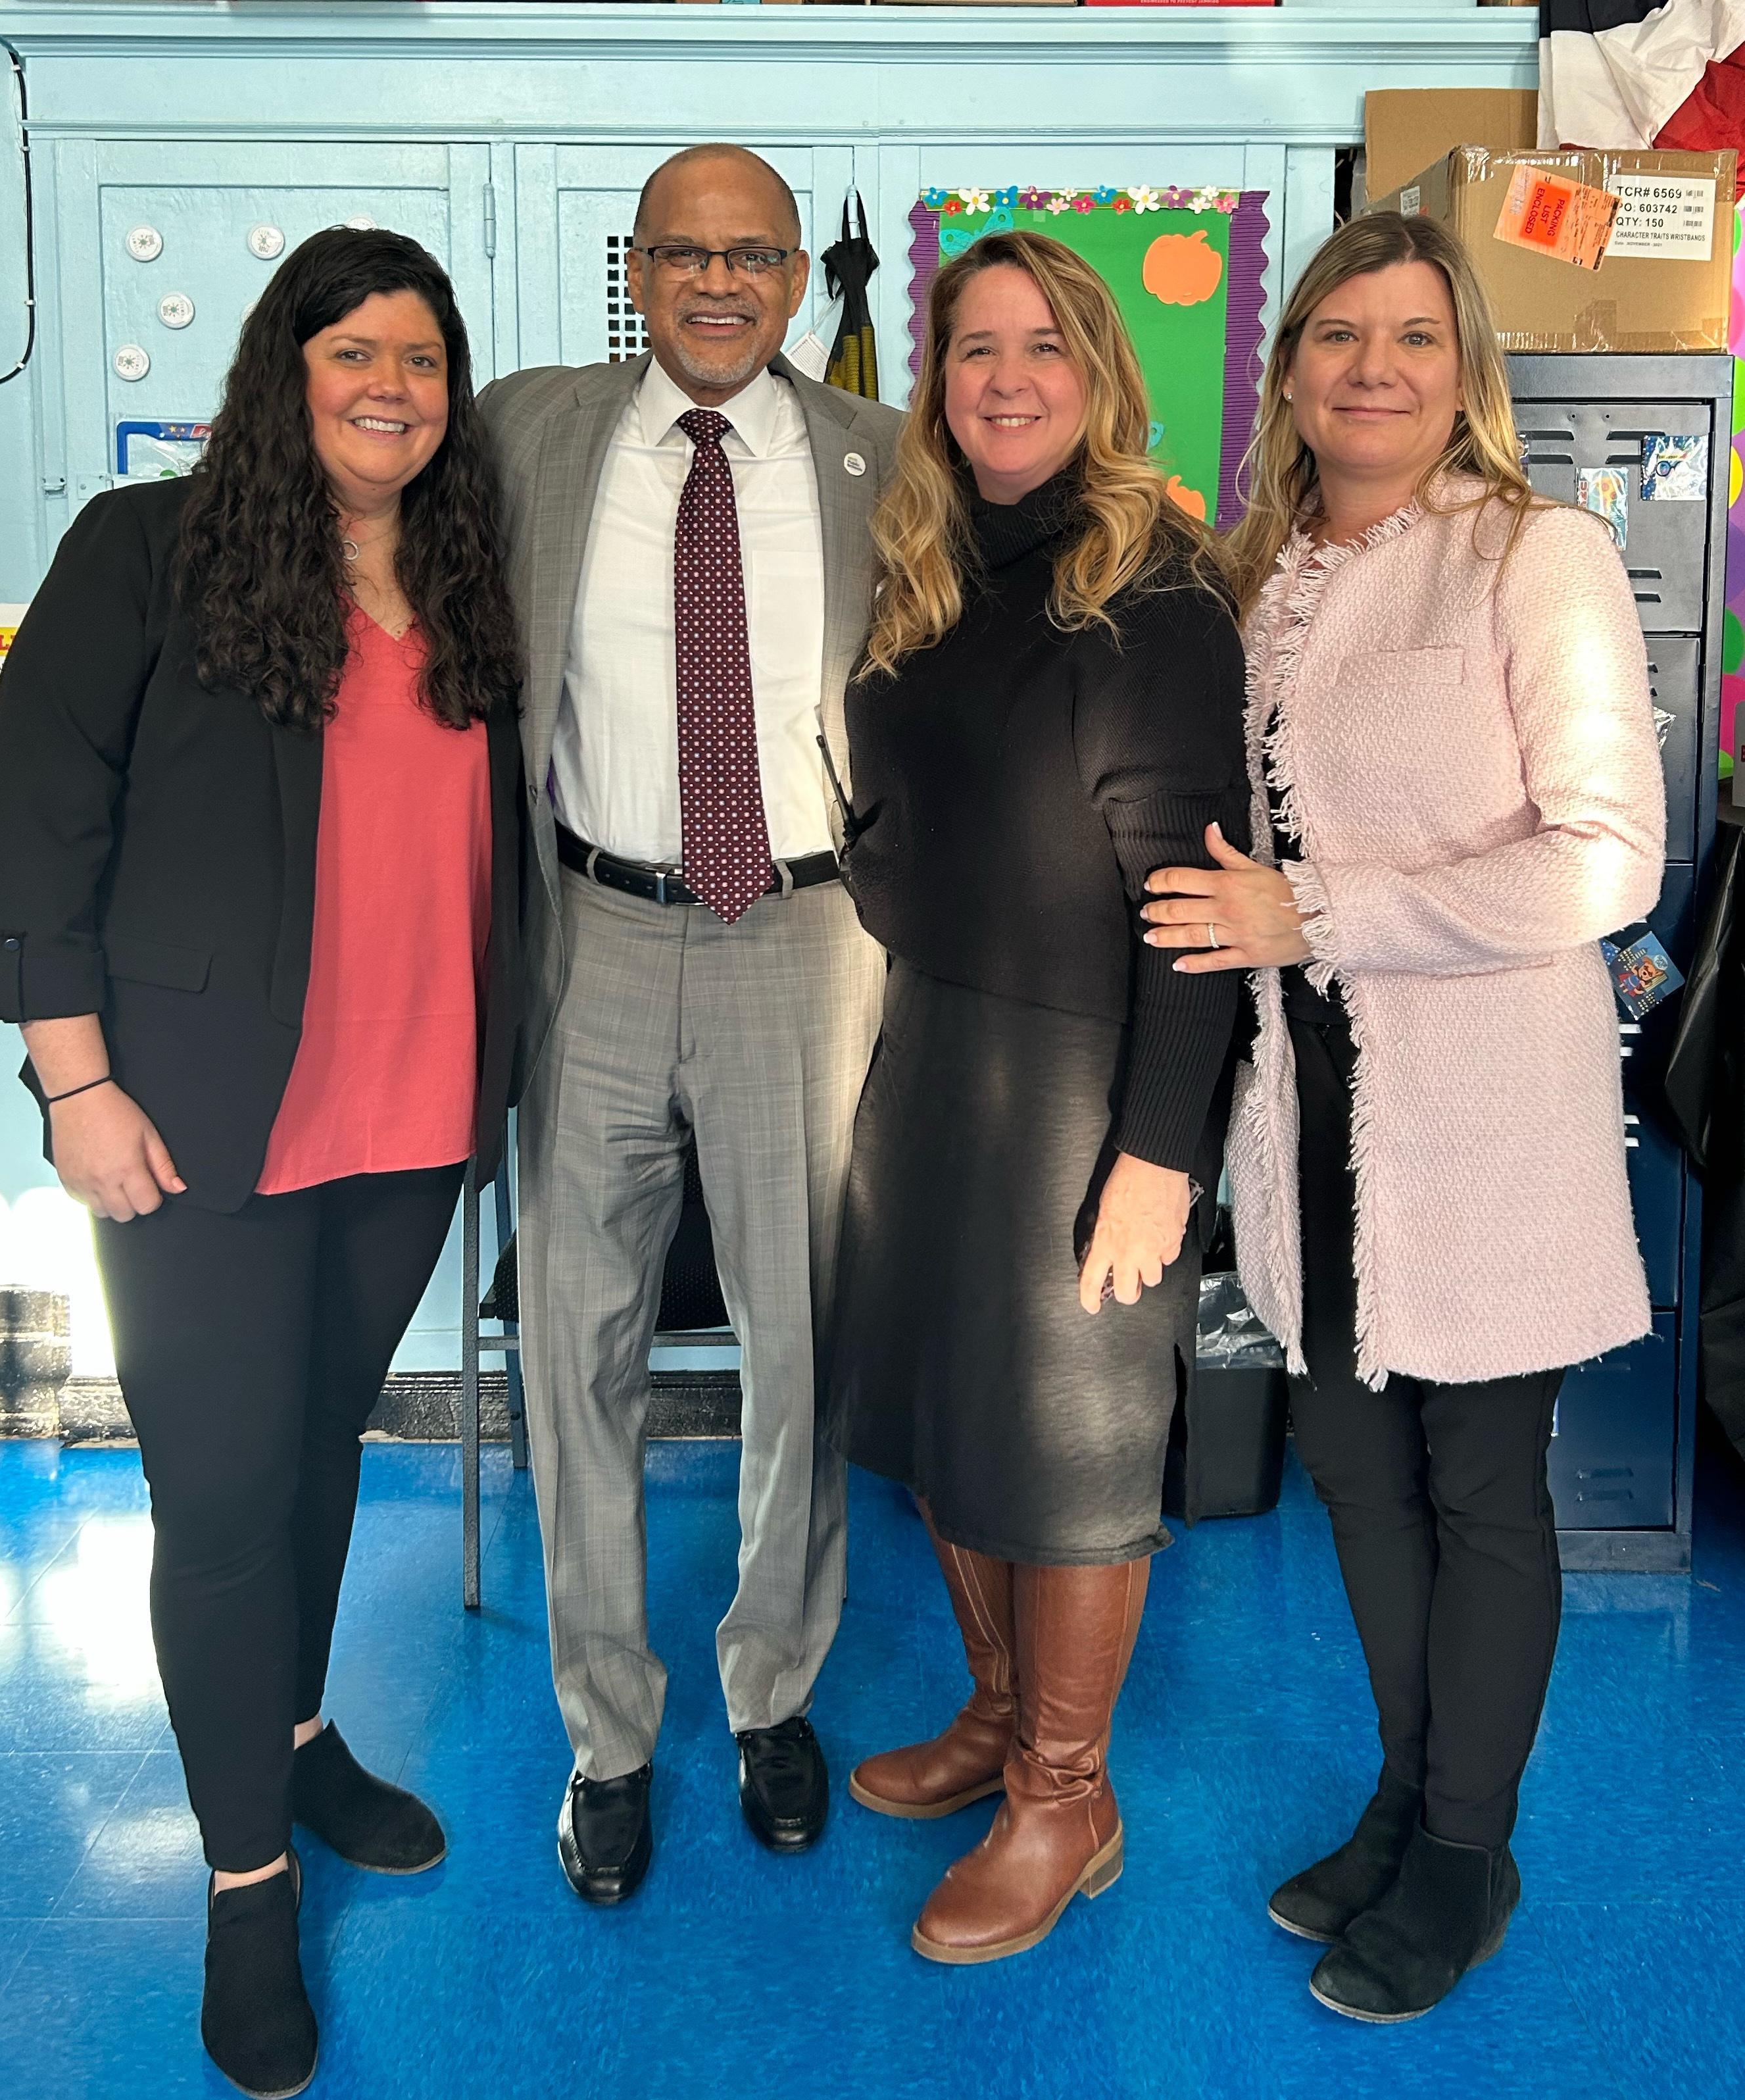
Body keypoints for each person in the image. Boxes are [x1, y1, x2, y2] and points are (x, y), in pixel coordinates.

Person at [0, 228, 523, 2097]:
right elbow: (35, 825)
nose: (391, 387)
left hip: (410, 1114)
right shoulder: (150, 550)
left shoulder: (466, 580)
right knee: (217, 1502)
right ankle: (246, 1883)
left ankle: (292, 1738)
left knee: (315, 1451)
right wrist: (75, 1087)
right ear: (286, 370)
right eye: (352, 351)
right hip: (199, 1118)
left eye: (422, 360)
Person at [1141, 212, 1665, 2021]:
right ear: (1288, 372)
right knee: (1361, 1486)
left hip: (1485, 1116)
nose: (1374, 367)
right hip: (1312, 1118)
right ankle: (1403, 1796)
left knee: (1482, 1492)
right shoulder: (1262, 575)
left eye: (1415, 337)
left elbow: (1605, 861)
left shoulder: (1535, 555)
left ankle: (1467, 1851)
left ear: (1467, 374)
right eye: (1339, 335)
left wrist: (1324, 911)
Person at [477, 144, 901, 1903]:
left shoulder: (883, 458)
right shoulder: (528, 432)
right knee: (575, 1347)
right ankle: (608, 1733)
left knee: (802, 1337)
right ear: (635, 271)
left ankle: (773, 1689)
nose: (716, 282)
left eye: (750, 256)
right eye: (681, 253)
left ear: (796, 278)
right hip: (591, 925)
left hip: (805, 933)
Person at [827, 230, 1252, 1964]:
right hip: (935, 1051)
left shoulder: (1152, 590)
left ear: (1100, 374)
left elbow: (1198, 913)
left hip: (1086, 1073)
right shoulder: (934, 570)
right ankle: (1003, 1719)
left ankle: (1068, 1797)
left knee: (1071, 1444)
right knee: (948, 1412)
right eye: (974, 347)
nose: (1004, 379)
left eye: (1042, 347)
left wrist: (1157, 1155)